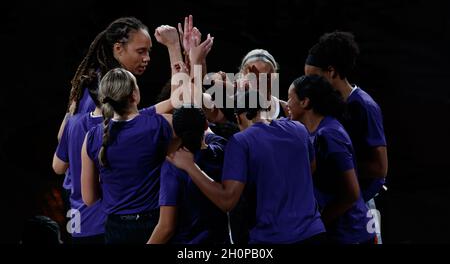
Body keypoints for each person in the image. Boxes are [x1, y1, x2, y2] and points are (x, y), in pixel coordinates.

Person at [167, 90, 326, 244]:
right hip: (315, 233)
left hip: (274, 237)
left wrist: (190, 166)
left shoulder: (241, 142)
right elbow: (311, 167)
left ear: (238, 117)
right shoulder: (298, 129)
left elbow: (227, 201)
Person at [304, 31, 387, 242]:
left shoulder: (363, 106)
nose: (310, 85)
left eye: (313, 77)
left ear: (331, 71)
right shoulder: (328, 104)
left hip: (359, 203)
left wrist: (337, 166)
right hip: (336, 200)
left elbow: (380, 168)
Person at [81, 68, 178, 244]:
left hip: (115, 227)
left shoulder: (92, 137)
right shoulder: (159, 124)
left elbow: (89, 198)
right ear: (134, 95)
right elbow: (188, 111)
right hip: (156, 225)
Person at [287, 75, 376, 244]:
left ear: (305, 102)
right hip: (335, 232)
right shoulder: (311, 130)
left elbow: (351, 193)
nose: (287, 104)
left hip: (351, 234)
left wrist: (317, 223)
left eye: (290, 98)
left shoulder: (329, 135)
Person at [148, 105, 228, 244]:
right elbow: (208, 134)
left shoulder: (173, 167)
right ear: (205, 124)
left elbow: (166, 227)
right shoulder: (222, 149)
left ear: (175, 132)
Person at [52, 71, 106, 244]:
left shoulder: (74, 122)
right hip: (107, 218)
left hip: (78, 214)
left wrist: (71, 111)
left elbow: (58, 166)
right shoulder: (121, 126)